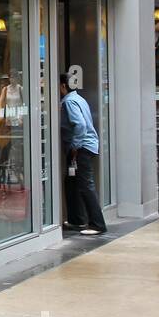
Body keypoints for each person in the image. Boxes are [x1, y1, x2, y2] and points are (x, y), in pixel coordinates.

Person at [59, 74, 107, 235]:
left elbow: (80, 125)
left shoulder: (69, 102)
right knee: (71, 183)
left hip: (81, 149)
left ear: (63, 86)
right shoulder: (78, 98)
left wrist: (74, 146)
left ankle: (97, 224)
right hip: (86, 146)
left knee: (86, 185)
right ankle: (76, 220)